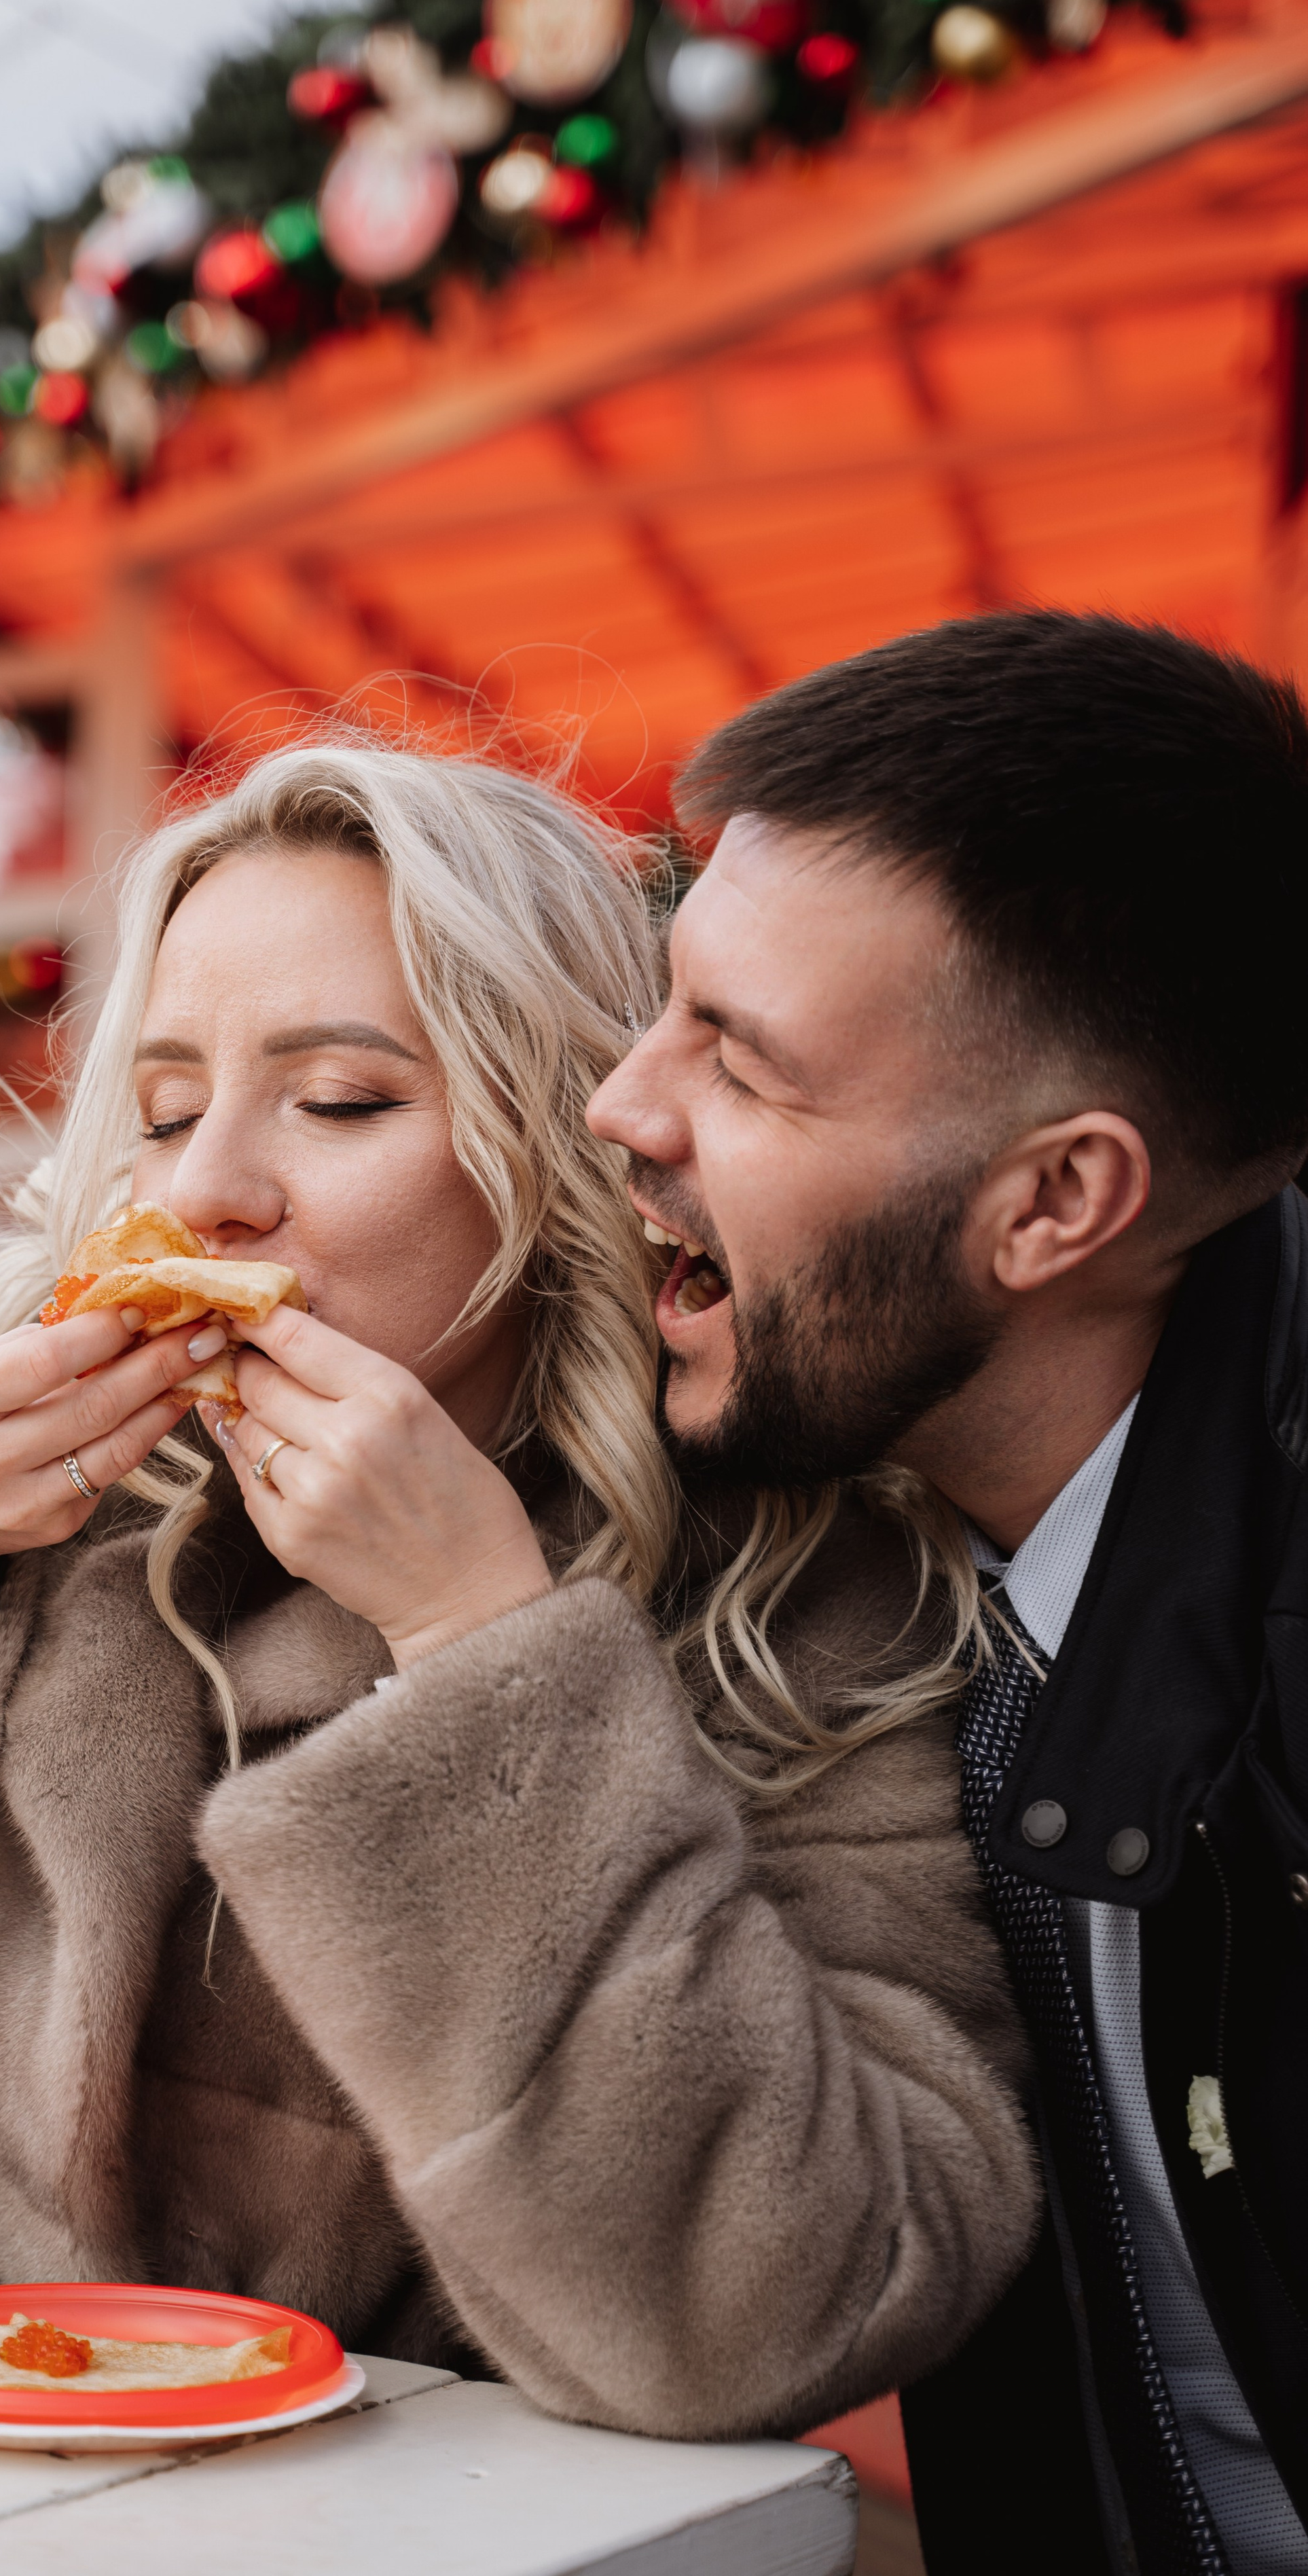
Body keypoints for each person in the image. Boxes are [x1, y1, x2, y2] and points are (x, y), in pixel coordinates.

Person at [0, 741, 1036, 2438]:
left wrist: (482, 1652)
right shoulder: (34, 1516)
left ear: (573, 1152)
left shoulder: (822, 1609)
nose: (202, 1192)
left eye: (339, 1100)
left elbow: (759, 2325)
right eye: (168, 1109)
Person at [589, 611, 1308, 2573]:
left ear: (1058, 1204)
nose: (622, 1111)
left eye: (738, 1060)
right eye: (669, 1007)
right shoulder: (847, 1536)